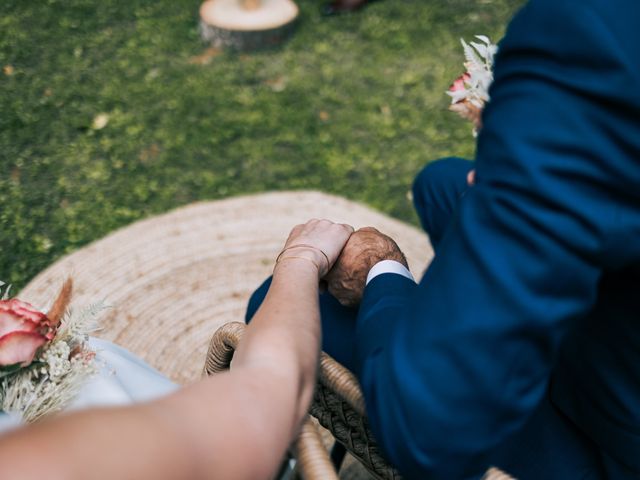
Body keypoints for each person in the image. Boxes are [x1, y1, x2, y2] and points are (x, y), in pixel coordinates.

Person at [248, 0, 640, 477]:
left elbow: (430, 429)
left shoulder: (591, 35)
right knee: (440, 184)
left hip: (611, 442)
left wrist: (381, 273)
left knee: (277, 300)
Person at [0, 220, 353, 480]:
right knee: (93, 369)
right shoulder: (58, 461)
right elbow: (272, 387)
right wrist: (302, 257)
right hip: (196, 444)